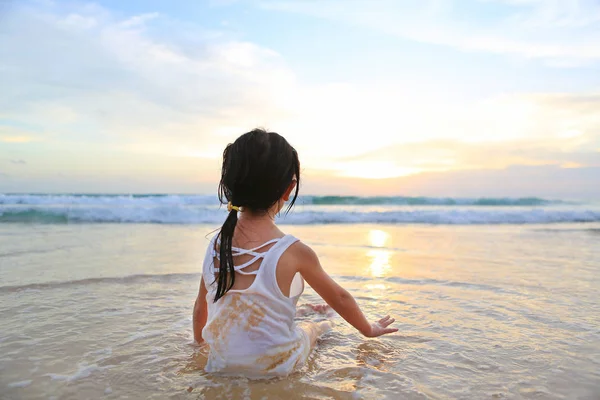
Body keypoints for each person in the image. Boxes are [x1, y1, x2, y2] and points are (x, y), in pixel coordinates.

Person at [192, 128, 397, 378]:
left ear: (229, 185)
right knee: (315, 328)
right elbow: (340, 298)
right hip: (278, 367)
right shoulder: (294, 251)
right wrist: (369, 328)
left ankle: (301, 313)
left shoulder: (216, 245)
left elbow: (201, 307)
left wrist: (201, 348)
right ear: (289, 190)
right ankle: (319, 319)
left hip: (221, 366)